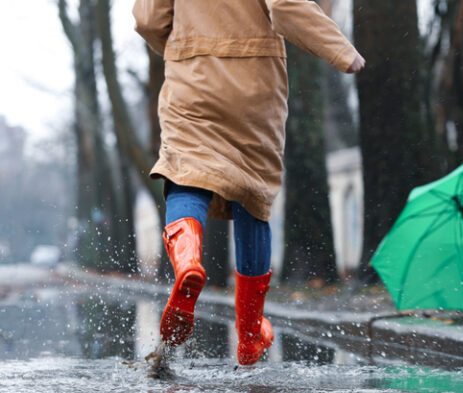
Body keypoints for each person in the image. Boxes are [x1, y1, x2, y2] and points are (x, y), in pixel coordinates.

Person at [133, 0, 365, 365]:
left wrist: (186, 49)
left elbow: (148, 18)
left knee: (185, 174)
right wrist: (340, 50)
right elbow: (286, 7)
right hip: (255, 83)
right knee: (253, 193)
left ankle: (188, 263)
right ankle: (250, 334)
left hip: (191, 78)